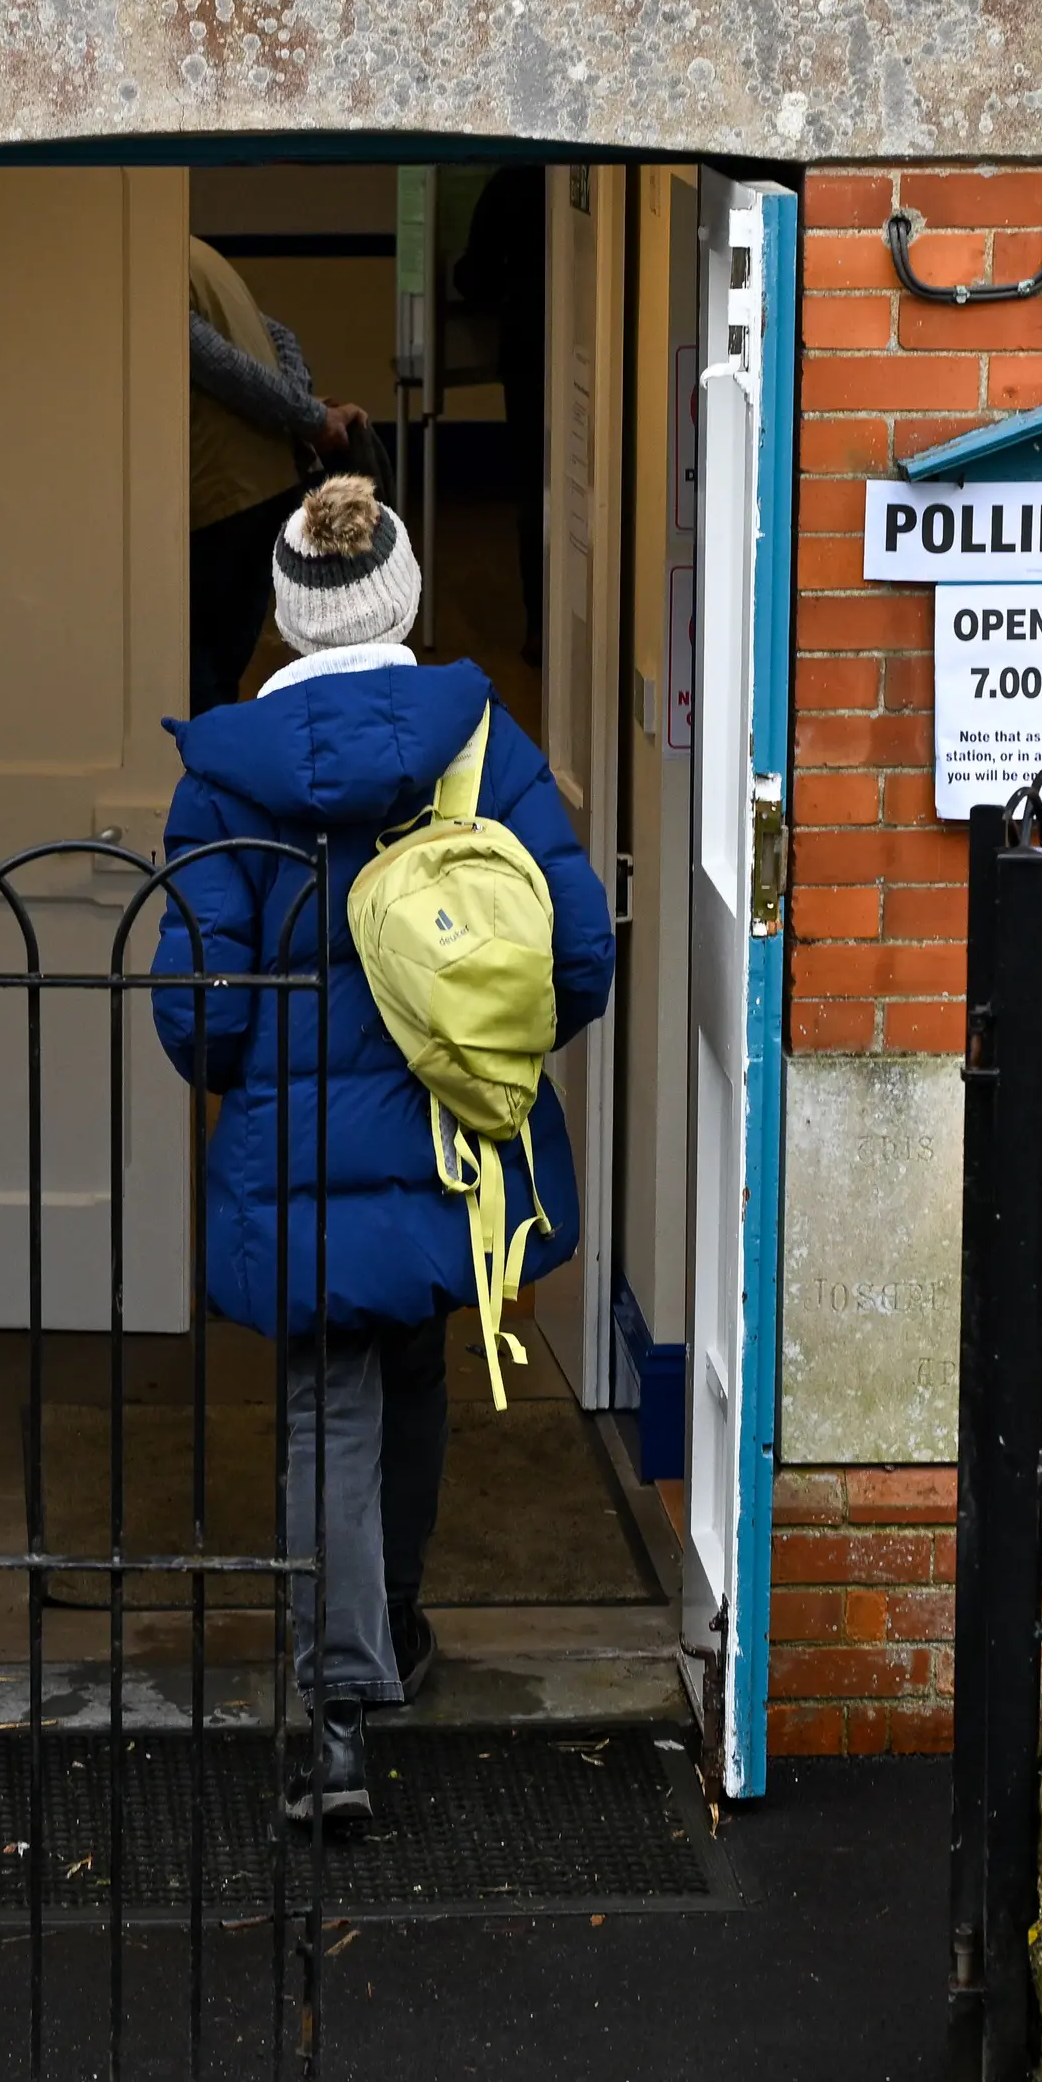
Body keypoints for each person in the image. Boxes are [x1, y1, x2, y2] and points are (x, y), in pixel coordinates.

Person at [148, 475, 614, 1828]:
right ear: (402, 596)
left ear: (286, 617)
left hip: (295, 1148)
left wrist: (252, 1081)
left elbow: (200, 1008)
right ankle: (395, 1633)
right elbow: (575, 950)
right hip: (454, 1134)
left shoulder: (223, 775)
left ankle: (336, 1711)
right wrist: (492, 1060)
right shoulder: (483, 743)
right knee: (414, 1376)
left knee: (324, 1404)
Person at [187, 238, 369, 715]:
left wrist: (310, 417)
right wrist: (302, 407)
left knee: (194, 669)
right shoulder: (199, 253)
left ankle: (209, 778)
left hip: (216, 497)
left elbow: (223, 369)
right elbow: (279, 337)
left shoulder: (150, 270)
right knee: (221, 666)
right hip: (268, 486)